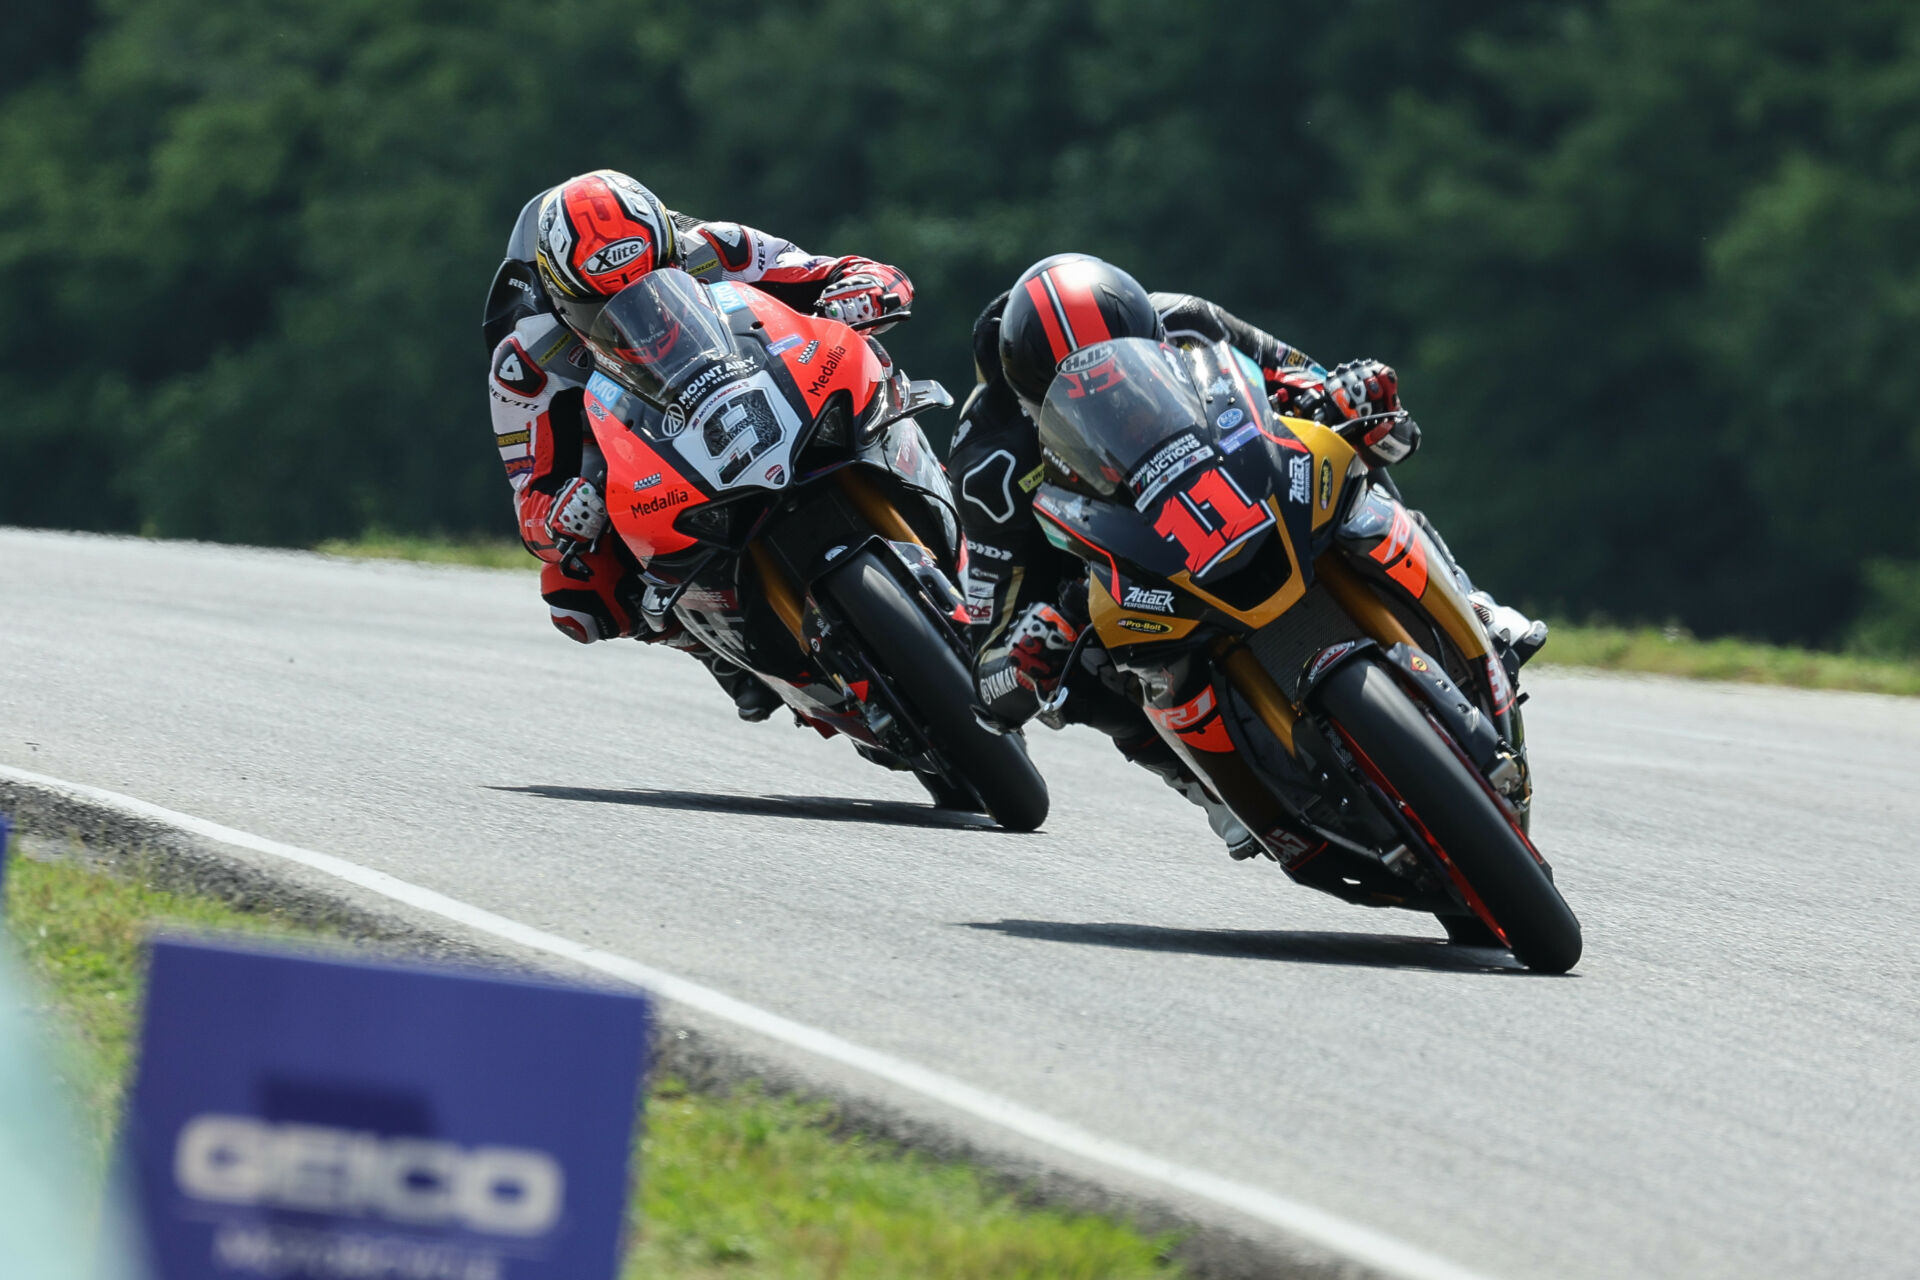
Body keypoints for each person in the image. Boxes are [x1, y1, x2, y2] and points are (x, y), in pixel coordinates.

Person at [952, 253, 1545, 857]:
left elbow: (1300, 379)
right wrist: (1028, 652)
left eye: (1127, 375)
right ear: (1029, 398)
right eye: (1079, 393)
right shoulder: (989, 465)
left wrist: (1353, 396)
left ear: (1150, 339)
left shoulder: (1186, 320)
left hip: (1240, 488)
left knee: (1342, 450)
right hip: (1117, 575)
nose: (1118, 401)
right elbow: (987, 664)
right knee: (1079, 666)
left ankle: (1466, 598)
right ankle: (1200, 778)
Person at [480, 169, 914, 719]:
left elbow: (837, 271)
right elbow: (531, 499)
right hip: (637, 446)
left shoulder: (715, 248)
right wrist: (563, 512)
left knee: (867, 374)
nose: (642, 317)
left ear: (670, 252)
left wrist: (862, 291)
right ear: (564, 301)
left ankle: (930, 494)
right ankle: (711, 646)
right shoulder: (527, 363)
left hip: (757, 384)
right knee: (580, 593)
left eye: (653, 281)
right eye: (604, 307)